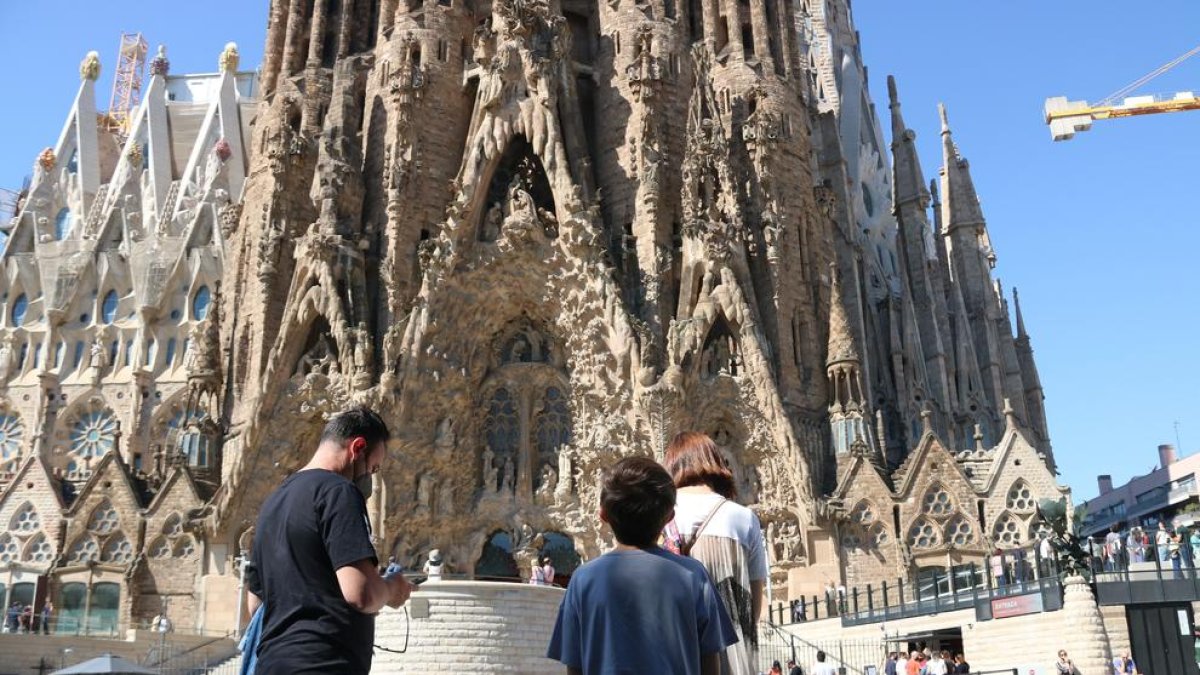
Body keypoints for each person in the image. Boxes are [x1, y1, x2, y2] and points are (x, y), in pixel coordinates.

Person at [247, 406, 413, 674]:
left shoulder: (273, 503)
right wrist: (391, 589)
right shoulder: (338, 492)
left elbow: (254, 603)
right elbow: (361, 593)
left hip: (272, 663)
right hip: (322, 663)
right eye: (372, 468)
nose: (369, 477)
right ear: (357, 448)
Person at [545, 456, 737, 674]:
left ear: (603, 515)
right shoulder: (693, 574)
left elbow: (575, 665)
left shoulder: (583, 579)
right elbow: (711, 659)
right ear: (669, 518)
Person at [662, 431, 769, 675]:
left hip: (677, 650)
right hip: (734, 655)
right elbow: (754, 604)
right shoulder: (744, 518)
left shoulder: (660, 515)